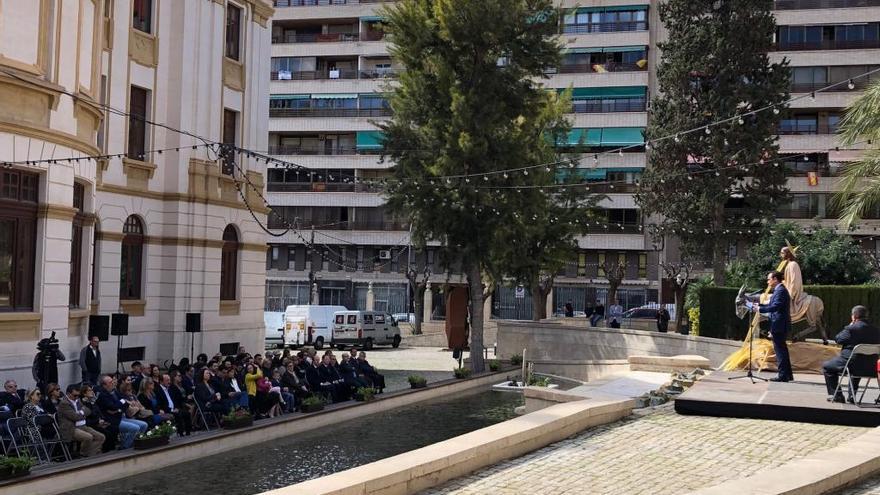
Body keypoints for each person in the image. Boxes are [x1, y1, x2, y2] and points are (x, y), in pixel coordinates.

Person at [822, 306, 880, 403]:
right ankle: (852, 396)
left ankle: (837, 395)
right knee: (859, 362)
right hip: (870, 366)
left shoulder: (852, 329)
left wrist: (850, 326)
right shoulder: (876, 330)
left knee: (827, 367)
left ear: (854, 316)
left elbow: (838, 339)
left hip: (850, 363)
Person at [748, 271, 793, 382]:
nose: (767, 281)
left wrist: (760, 309)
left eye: (769, 279)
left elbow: (776, 306)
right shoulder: (779, 290)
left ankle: (783, 376)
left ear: (775, 279)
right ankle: (787, 375)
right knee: (782, 350)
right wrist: (759, 305)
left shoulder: (781, 291)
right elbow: (772, 304)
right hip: (779, 324)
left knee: (780, 351)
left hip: (779, 325)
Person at [96, 375, 147, 449]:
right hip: (112, 420)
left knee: (143, 425)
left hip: (121, 416)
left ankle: (133, 443)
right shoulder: (102, 395)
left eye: (112, 381)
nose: (113, 383)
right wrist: (120, 404)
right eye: (110, 382)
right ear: (104, 385)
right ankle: (125, 447)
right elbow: (113, 407)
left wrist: (119, 407)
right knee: (134, 428)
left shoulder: (114, 391)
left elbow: (124, 402)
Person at [57, 383, 105, 457]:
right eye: (75, 395)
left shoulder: (78, 400)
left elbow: (88, 411)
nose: (76, 397)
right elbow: (75, 417)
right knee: (88, 437)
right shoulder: (64, 403)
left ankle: (89, 454)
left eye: (78, 395)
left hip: (82, 426)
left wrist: (81, 413)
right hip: (71, 429)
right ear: (68, 394)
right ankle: (84, 455)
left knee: (101, 437)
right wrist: (82, 412)